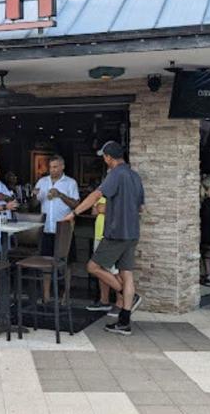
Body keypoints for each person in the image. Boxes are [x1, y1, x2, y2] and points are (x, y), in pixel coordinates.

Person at [63, 141, 144, 335]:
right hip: (132, 232)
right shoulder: (135, 176)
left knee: (92, 267)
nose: (104, 160)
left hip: (116, 233)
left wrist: (74, 213)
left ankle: (128, 296)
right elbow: (140, 207)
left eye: (104, 157)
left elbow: (96, 195)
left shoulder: (115, 174)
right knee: (126, 273)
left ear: (109, 157)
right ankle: (124, 322)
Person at [32, 155, 79, 301]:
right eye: (51, 167)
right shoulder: (42, 182)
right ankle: (46, 296)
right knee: (46, 262)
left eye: (55, 167)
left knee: (67, 263)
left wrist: (60, 195)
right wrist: (34, 196)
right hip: (47, 228)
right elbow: (33, 205)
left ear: (62, 167)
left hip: (64, 230)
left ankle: (66, 295)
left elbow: (76, 205)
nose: (52, 170)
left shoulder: (70, 183)